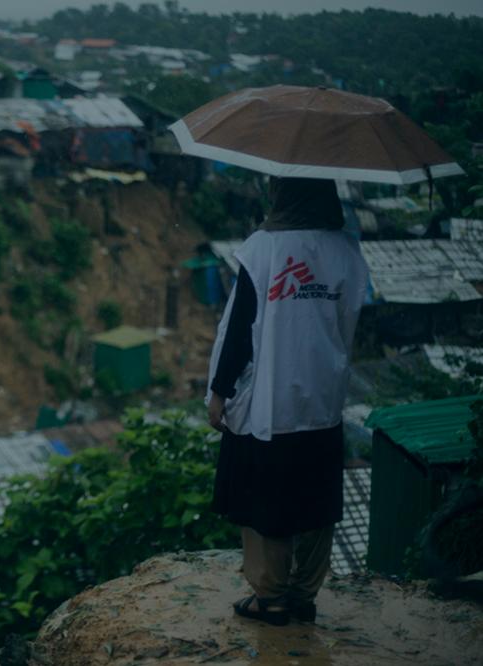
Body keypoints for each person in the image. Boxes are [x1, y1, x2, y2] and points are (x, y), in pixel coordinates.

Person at [206, 177, 369, 626]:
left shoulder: (263, 249)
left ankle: (271, 597)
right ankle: (304, 594)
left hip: (272, 397)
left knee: (267, 499)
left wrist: (219, 390)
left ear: (284, 196)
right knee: (316, 498)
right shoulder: (347, 250)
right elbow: (349, 319)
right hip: (322, 396)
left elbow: (240, 329)